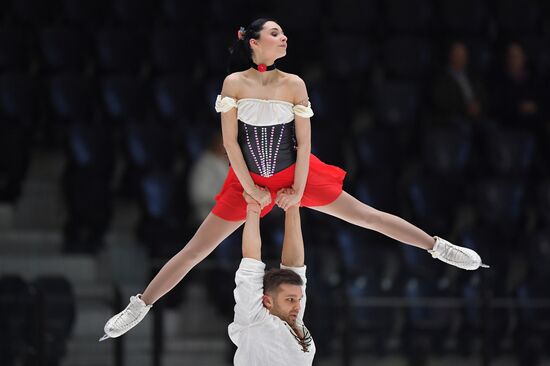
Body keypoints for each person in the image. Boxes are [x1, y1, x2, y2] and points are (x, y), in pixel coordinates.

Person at [100, 18, 488, 341]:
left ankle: (438, 246)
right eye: (274, 33)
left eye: (283, 33)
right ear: (253, 42)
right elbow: (230, 143)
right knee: (195, 250)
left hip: (295, 172)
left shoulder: (294, 83)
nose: (283, 37)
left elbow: (304, 143)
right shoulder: (234, 83)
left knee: (367, 215)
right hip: (247, 177)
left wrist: (298, 191)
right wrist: (250, 187)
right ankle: (139, 306)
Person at [229, 188, 314, 365]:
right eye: (291, 299)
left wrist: (292, 207)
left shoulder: (293, 319)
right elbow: (251, 259)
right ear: (267, 301)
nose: (298, 305)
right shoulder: (254, 317)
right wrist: (253, 207)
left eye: (298, 299)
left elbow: (295, 266)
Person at [433, 41, 487, 123]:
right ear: (451, 56)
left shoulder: (472, 75)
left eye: (463, 55)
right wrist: (465, 108)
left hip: (477, 116)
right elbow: (441, 101)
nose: (461, 58)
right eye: (457, 55)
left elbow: (482, 94)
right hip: (454, 118)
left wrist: (479, 105)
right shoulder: (442, 77)